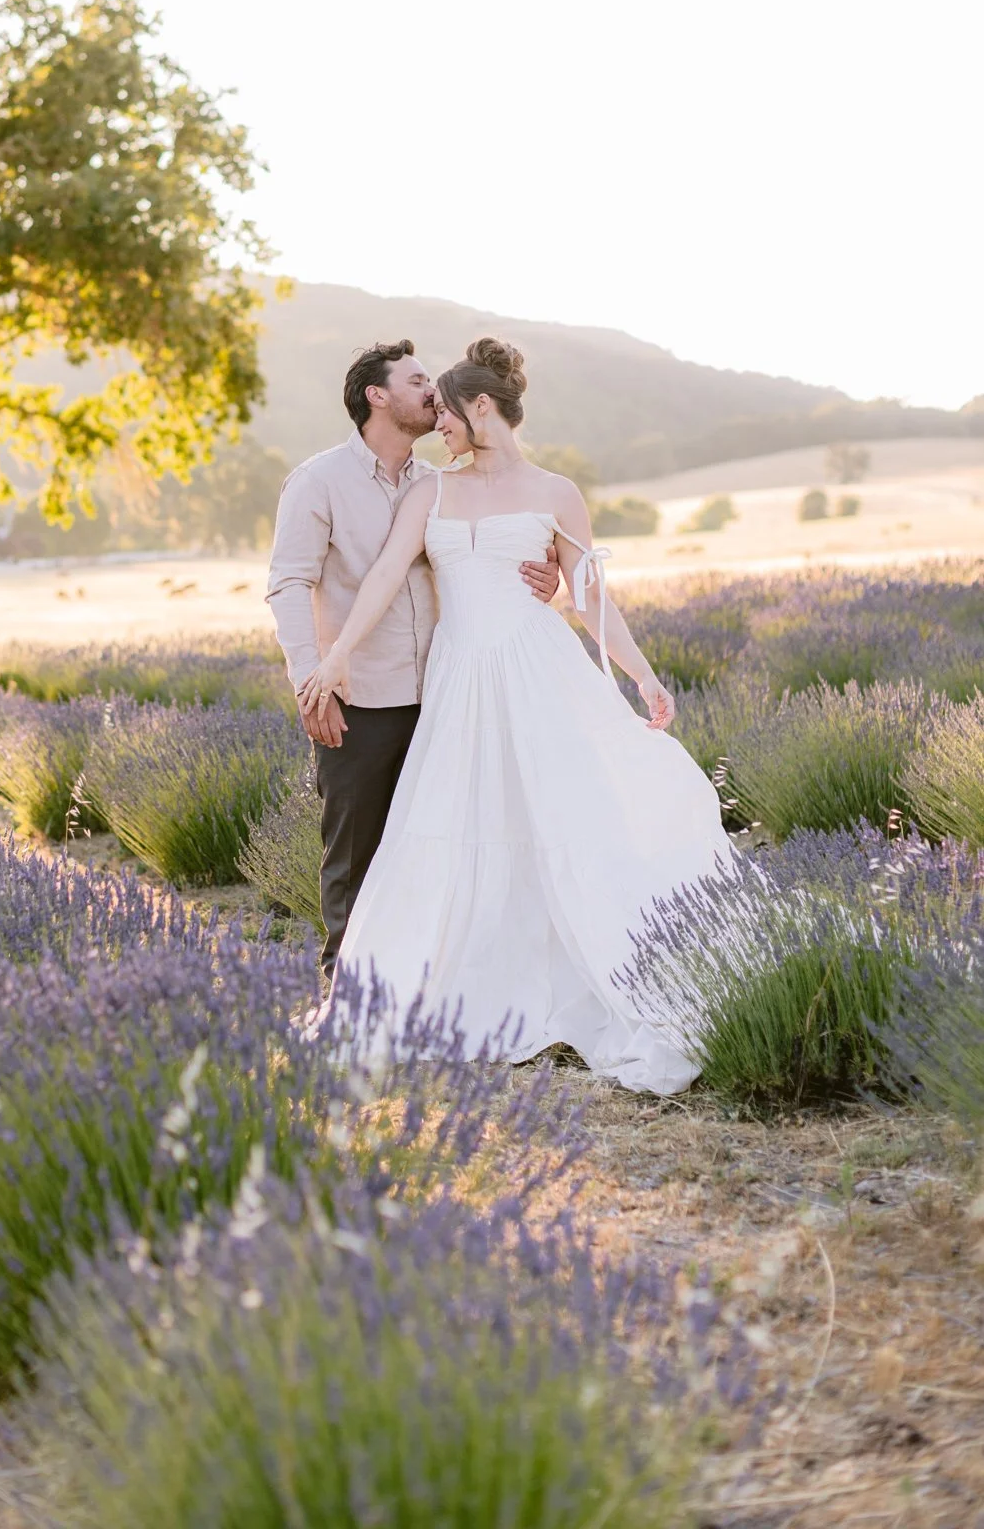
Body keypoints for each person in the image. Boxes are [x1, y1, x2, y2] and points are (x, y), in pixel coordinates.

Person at [299, 337, 732, 1095]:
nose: (438, 424)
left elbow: (590, 593)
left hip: (537, 669)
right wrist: (333, 658)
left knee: (559, 816)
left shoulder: (557, 492)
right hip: (460, 677)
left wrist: (643, 676)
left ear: (482, 409)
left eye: (449, 414)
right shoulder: (430, 492)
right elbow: (382, 579)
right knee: (457, 824)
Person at [266, 339, 561, 984]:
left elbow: (492, 550)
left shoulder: (437, 483)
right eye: (419, 380)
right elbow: (288, 583)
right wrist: (311, 679)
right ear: (378, 395)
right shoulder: (318, 481)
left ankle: (434, 980)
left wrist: (546, 574)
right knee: (354, 849)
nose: (434, 393)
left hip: (445, 692)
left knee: (439, 846)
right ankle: (347, 989)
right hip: (360, 694)